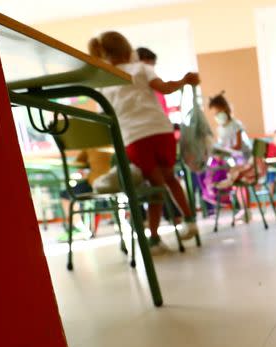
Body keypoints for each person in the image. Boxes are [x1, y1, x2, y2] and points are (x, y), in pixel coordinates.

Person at [88, 32, 199, 255]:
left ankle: (155, 239)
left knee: (154, 185)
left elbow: (104, 118)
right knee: (169, 177)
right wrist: (184, 81)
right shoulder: (141, 68)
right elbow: (165, 87)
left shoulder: (103, 83)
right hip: (160, 131)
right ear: (128, 49)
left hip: (134, 139)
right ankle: (189, 220)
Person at [207, 91, 253, 221]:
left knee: (240, 181)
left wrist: (225, 149)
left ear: (225, 109)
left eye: (218, 112)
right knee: (236, 183)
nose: (217, 115)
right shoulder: (220, 129)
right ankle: (243, 209)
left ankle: (247, 210)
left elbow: (238, 145)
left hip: (244, 158)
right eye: (215, 114)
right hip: (233, 160)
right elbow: (222, 145)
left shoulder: (236, 125)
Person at [135, 47, 171, 115]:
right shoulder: (145, 70)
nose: (152, 67)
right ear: (145, 60)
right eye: (152, 64)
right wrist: (184, 80)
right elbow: (165, 88)